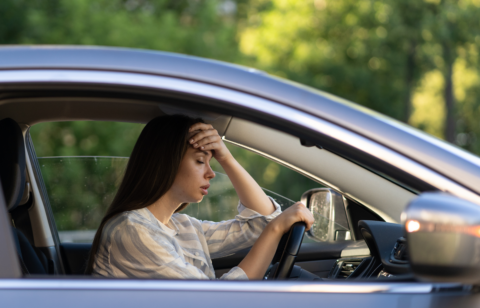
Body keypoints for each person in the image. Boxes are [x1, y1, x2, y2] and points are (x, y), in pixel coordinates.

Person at [85, 114, 314, 280]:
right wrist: (276, 228)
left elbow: (260, 222)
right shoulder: (131, 230)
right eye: (199, 161)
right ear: (166, 163)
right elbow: (213, 302)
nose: (211, 173)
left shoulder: (182, 226)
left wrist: (226, 157)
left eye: (211, 162)